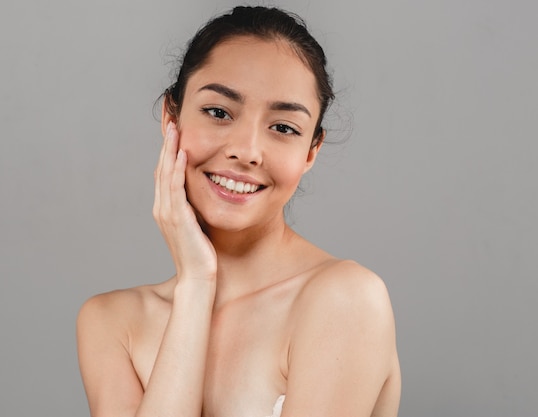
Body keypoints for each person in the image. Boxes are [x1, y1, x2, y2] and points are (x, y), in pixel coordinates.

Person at [77, 6, 400, 417]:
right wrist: (195, 285)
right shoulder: (112, 323)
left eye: (283, 127)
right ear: (171, 118)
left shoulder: (344, 300)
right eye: (219, 112)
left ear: (311, 152)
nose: (246, 151)